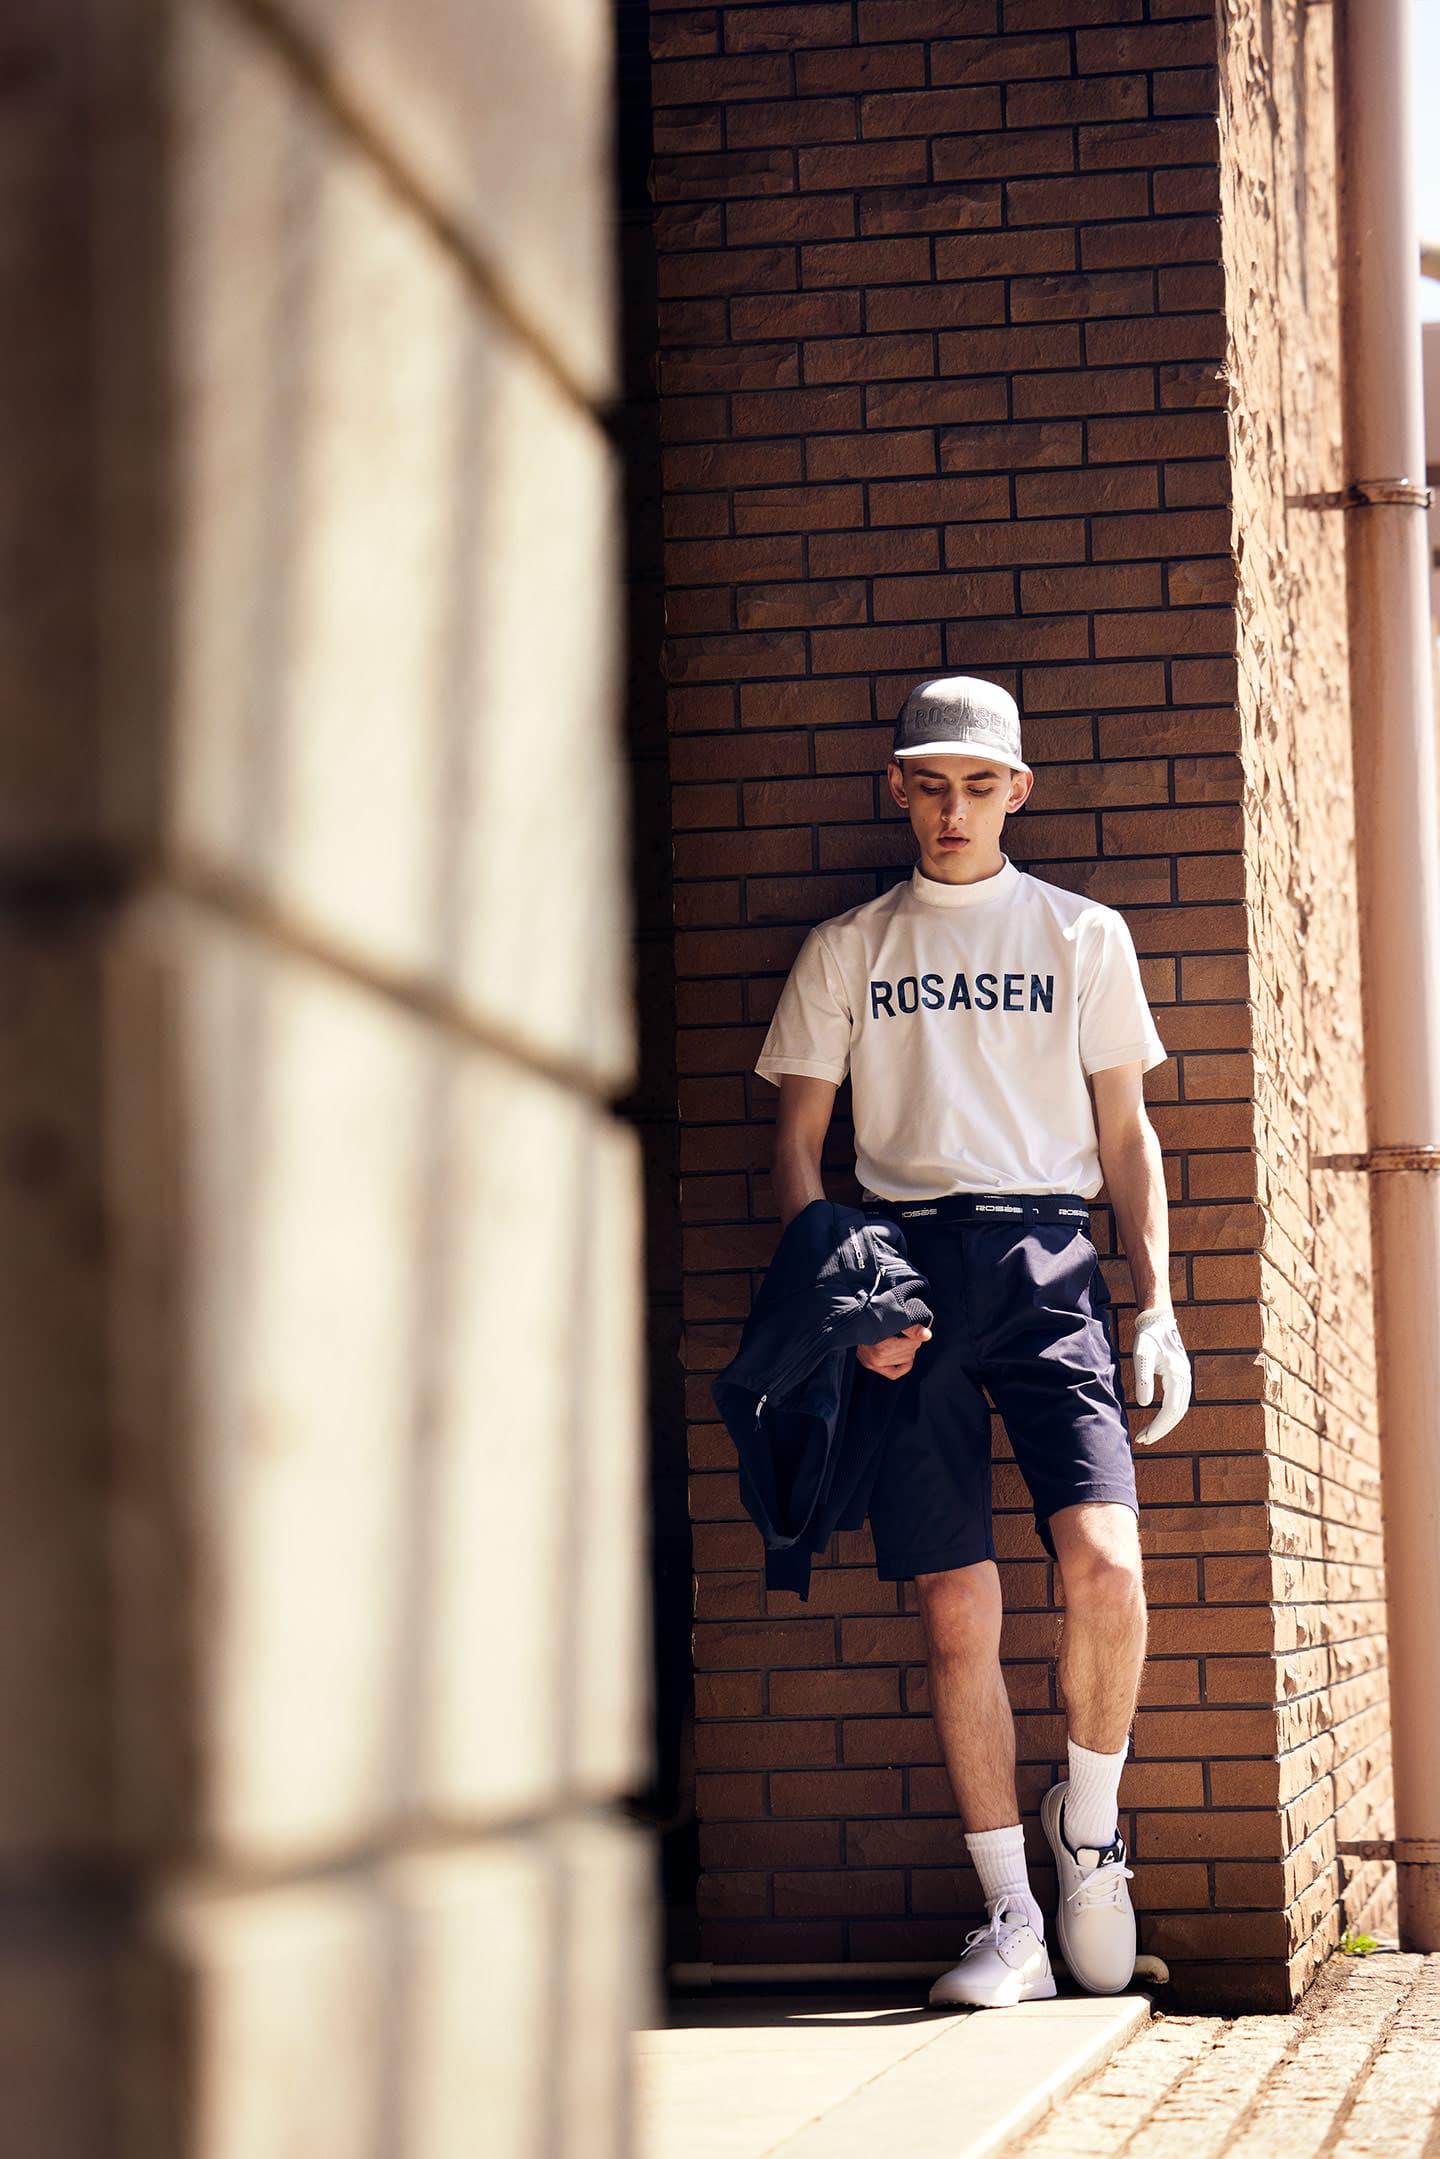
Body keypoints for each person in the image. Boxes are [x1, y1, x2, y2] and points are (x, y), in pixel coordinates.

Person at [754, 676, 1192, 2010]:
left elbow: (1127, 1132)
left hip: (1051, 1260)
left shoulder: (1081, 933)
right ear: (898, 789)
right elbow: (796, 1145)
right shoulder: (849, 946)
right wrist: (853, 1302)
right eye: (933, 786)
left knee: (1105, 1564)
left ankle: (1089, 1837)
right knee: (959, 1607)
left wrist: (1158, 1303)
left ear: (1017, 792)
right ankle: (1011, 1918)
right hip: (905, 1268)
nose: (955, 810)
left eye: (980, 786)